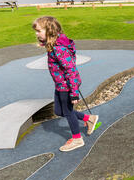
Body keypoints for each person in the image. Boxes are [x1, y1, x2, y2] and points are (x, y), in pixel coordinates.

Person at [32, 16, 99, 152]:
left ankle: (77, 139)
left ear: (49, 31)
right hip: (60, 84)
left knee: (67, 112)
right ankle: (89, 118)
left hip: (67, 86)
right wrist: (45, 43)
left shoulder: (59, 49)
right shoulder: (55, 44)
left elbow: (71, 70)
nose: (36, 34)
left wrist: (74, 93)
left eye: (39, 31)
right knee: (59, 111)